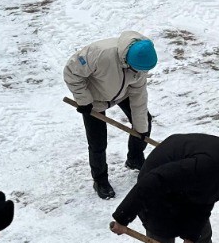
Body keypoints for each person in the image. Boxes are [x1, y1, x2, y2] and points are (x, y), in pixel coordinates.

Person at [64, 30, 158, 200]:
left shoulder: (140, 65)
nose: (139, 74)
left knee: (144, 122)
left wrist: (141, 130)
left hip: (122, 93)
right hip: (94, 100)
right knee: (98, 142)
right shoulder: (100, 54)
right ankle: (100, 180)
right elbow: (71, 72)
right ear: (127, 61)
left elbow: (138, 97)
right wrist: (84, 100)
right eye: (136, 70)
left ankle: (135, 158)